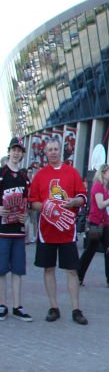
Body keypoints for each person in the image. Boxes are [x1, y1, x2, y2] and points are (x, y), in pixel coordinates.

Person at [28, 137, 88, 325]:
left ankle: (76, 309)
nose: (53, 152)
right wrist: (45, 207)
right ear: (45, 153)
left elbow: (82, 197)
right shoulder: (40, 175)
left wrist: (74, 201)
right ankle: (54, 307)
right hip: (47, 232)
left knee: (71, 270)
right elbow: (33, 202)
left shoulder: (71, 172)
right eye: (49, 150)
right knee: (48, 269)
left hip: (67, 230)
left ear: (60, 150)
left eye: (55, 149)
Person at [0, 138, 32, 321]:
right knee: (1, 269)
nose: (16, 153)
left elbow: (26, 204)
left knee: (18, 270)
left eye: (19, 150)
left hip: (18, 230)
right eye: (14, 149)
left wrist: (25, 215)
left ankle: (17, 305)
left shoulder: (24, 178)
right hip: (2, 230)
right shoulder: (1, 174)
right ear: (9, 151)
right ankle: (2, 304)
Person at [76, 164, 109, 288]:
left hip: (103, 222)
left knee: (106, 250)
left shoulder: (104, 188)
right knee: (91, 250)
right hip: (96, 223)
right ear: (104, 173)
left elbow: (105, 206)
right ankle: (79, 275)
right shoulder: (98, 187)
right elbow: (100, 205)